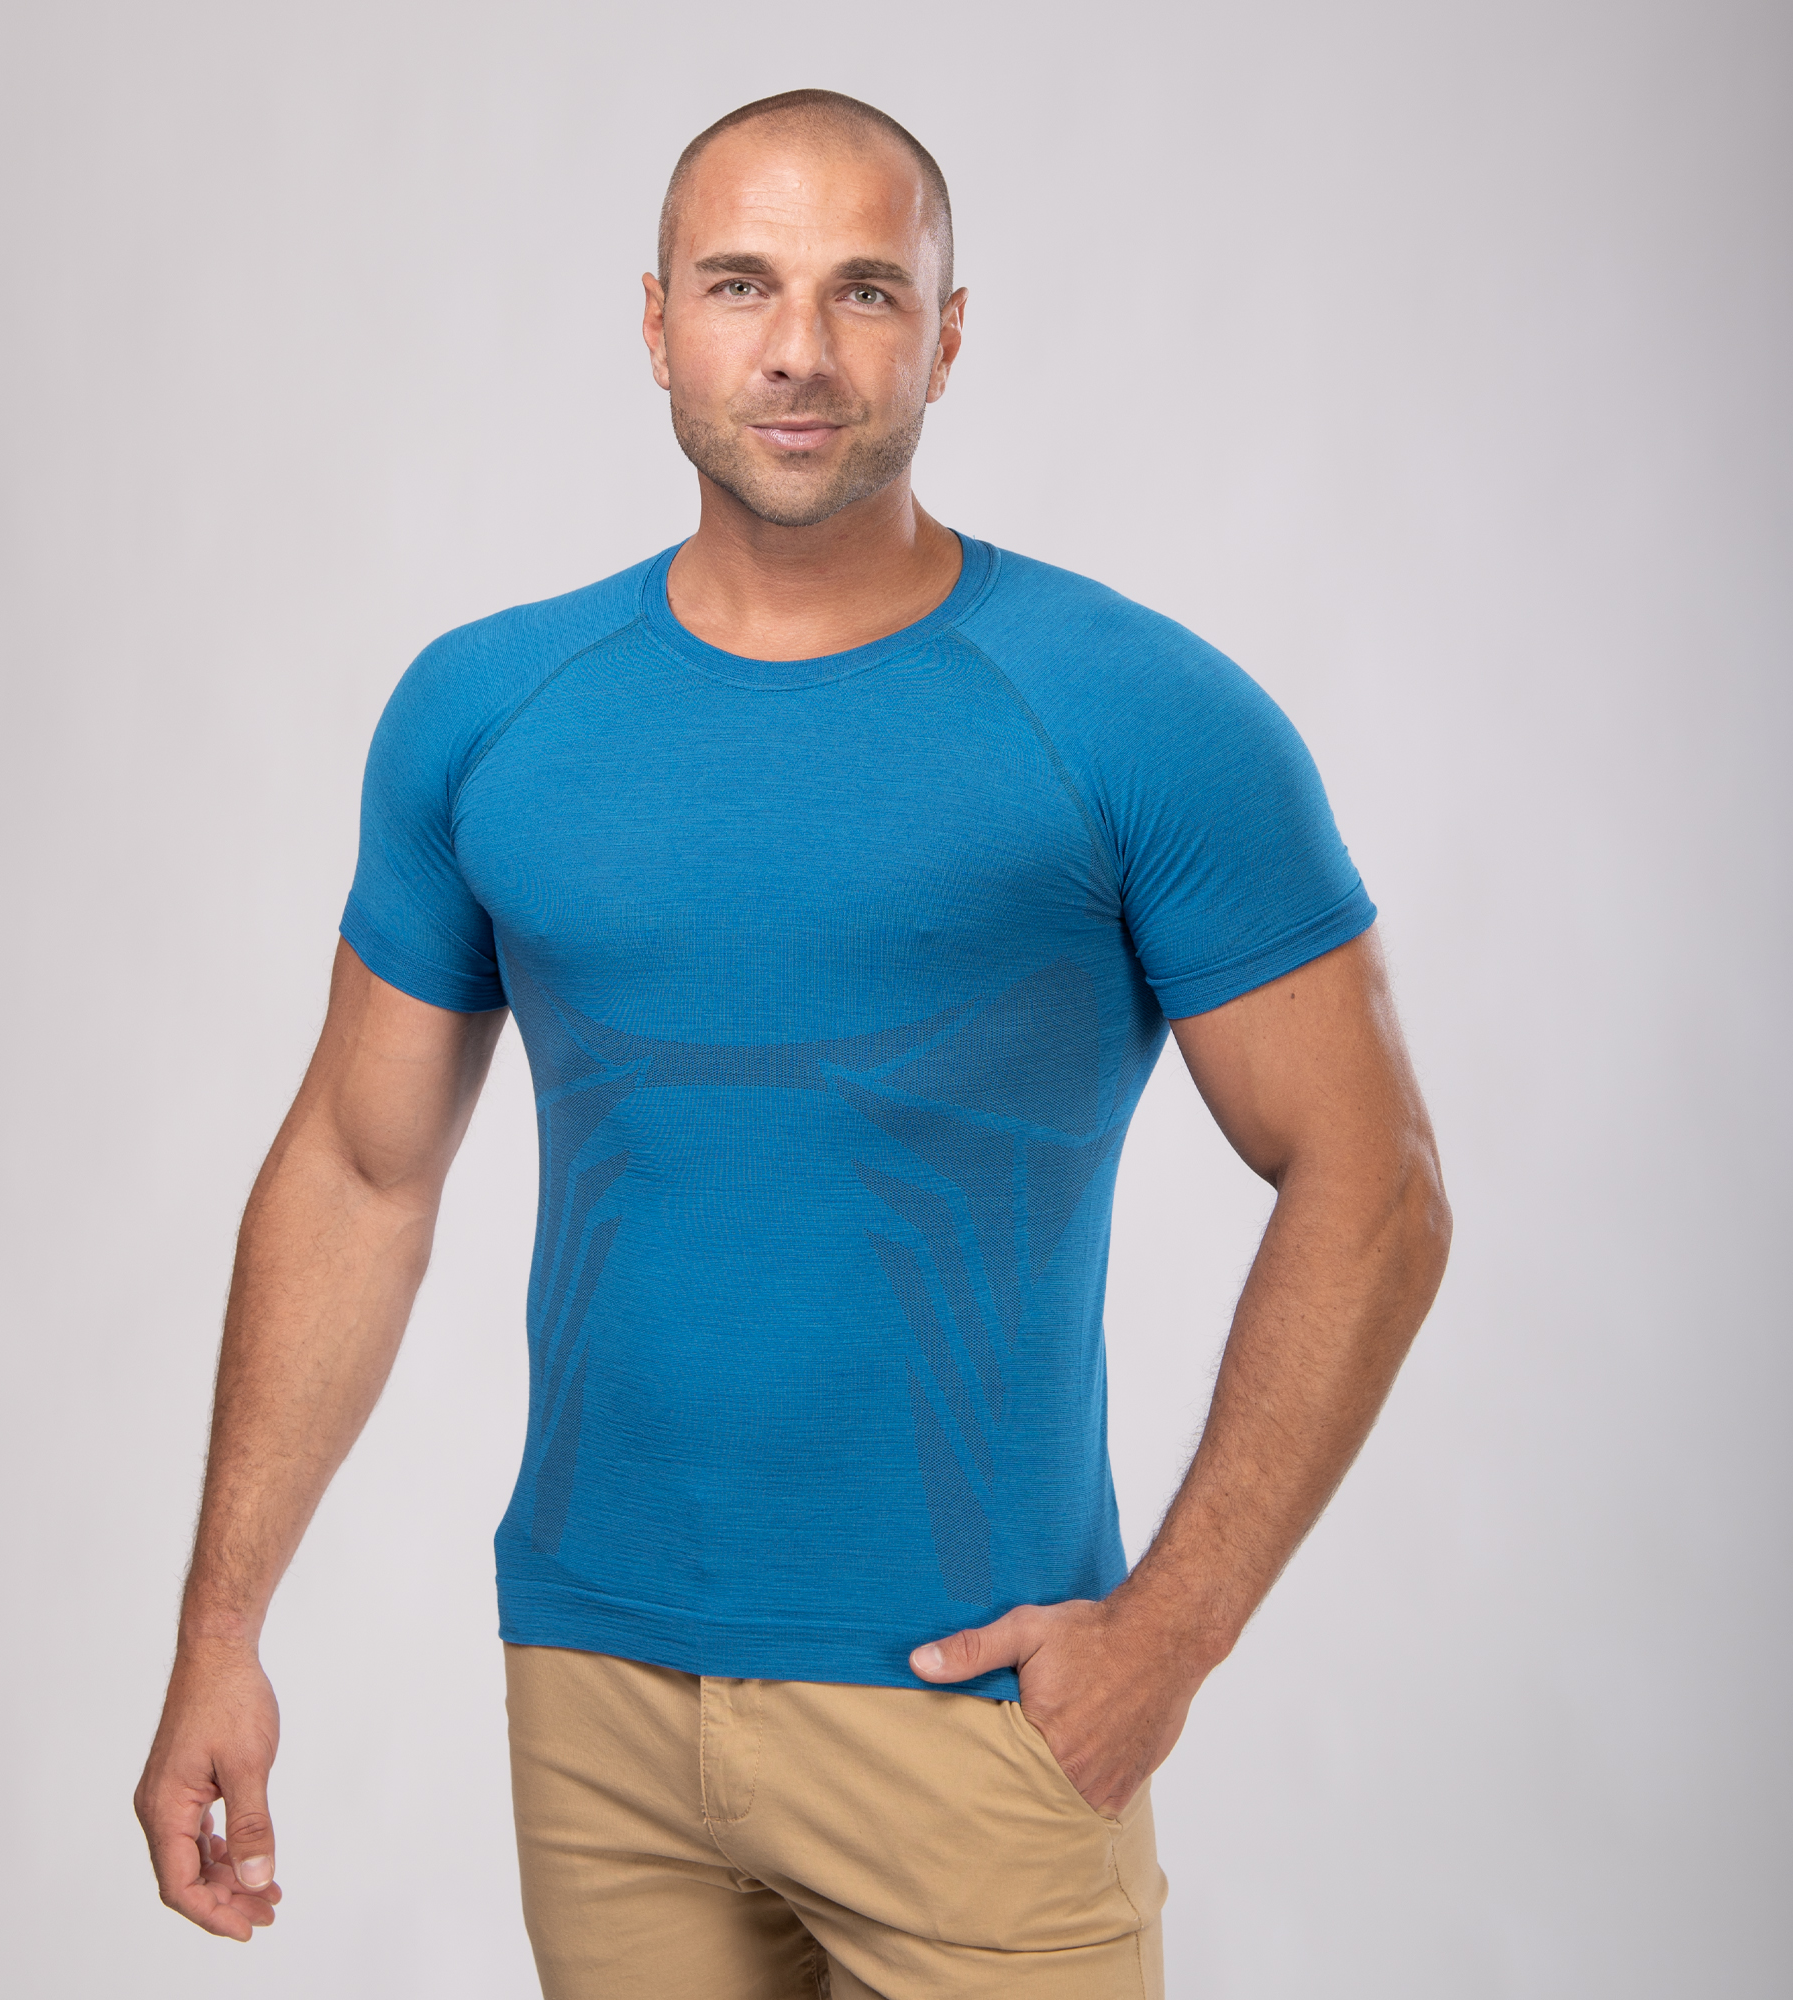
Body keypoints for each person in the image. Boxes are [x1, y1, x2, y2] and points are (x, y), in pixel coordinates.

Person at [134, 87, 1452, 1999]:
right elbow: (359, 1166)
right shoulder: (488, 709)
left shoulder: (1137, 714)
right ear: (655, 318)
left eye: (865, 291)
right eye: (742, 283)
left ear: (948, 334)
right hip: (596, 1695)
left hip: (974, 1713)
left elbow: (1374, 1179)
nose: (800, 350)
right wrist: (220, 1631)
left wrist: (1171, 1634)